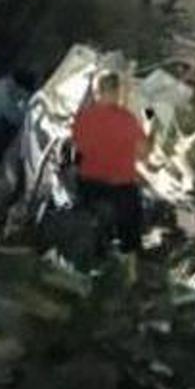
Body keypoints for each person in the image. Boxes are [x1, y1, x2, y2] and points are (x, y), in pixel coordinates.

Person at [72, 72, 146, 254]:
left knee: (95, 223)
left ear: (95, 91)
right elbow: (143, 153)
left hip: (88, 186)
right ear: (117, 91)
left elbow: (79, 150)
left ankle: (97, 249)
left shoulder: (82, 118)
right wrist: (150, 127)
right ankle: (130, 253)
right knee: (132, 220)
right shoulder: (127, 119)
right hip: (119, 188)